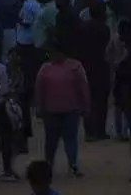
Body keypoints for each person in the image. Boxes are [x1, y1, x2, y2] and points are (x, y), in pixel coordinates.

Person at [35, 47, 90, 179]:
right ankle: (49, 165)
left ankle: (72, 164)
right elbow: (39, 89)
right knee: (51, 140)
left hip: (70, 110)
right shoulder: (45, 68)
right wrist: (39, 107)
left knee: (70, 138)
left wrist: (85, 105)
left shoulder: (75, 67)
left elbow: (83, 87)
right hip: (52, 111)